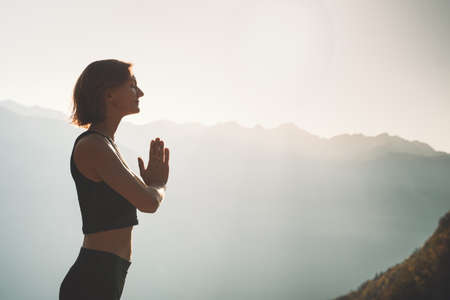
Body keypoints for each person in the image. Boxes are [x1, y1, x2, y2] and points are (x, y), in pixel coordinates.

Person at [59, 59, 170, 300]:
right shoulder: (94, 147)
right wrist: (159, 184)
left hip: (106, 276)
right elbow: (149, 202)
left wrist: (151, 186)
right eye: (132, 86)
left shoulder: (105, 145)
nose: (140, 92)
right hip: (93, 279)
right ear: (109, 94)